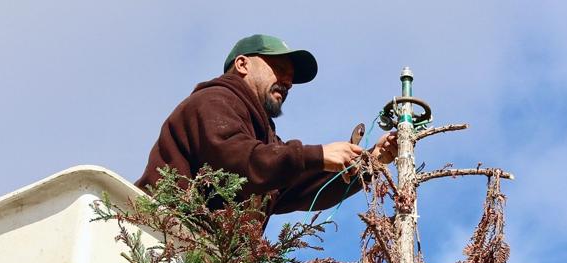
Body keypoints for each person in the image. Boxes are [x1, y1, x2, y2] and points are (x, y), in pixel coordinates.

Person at [136, 34, 396, 227]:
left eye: (291, 78)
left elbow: (297, 185)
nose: (287, 82)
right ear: (242, 64)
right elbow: (235, 161)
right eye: (279, 69)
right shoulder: (213, 101)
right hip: (163, 242)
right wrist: (315, 155)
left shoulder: (262, 135)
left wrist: (370, 161)